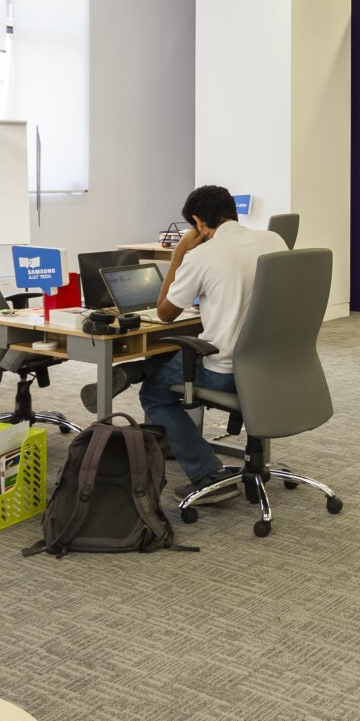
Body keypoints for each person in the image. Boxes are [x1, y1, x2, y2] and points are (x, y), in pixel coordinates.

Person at [137, 185, 290, 503]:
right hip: (276, 366)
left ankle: (207, 473)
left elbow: (164, 313)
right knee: (173, 359)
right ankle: (136, 371)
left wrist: (179, 254)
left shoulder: (202, 255)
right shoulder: (274, 240)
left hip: (227, 372)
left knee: (154, 394)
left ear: (198, 222)